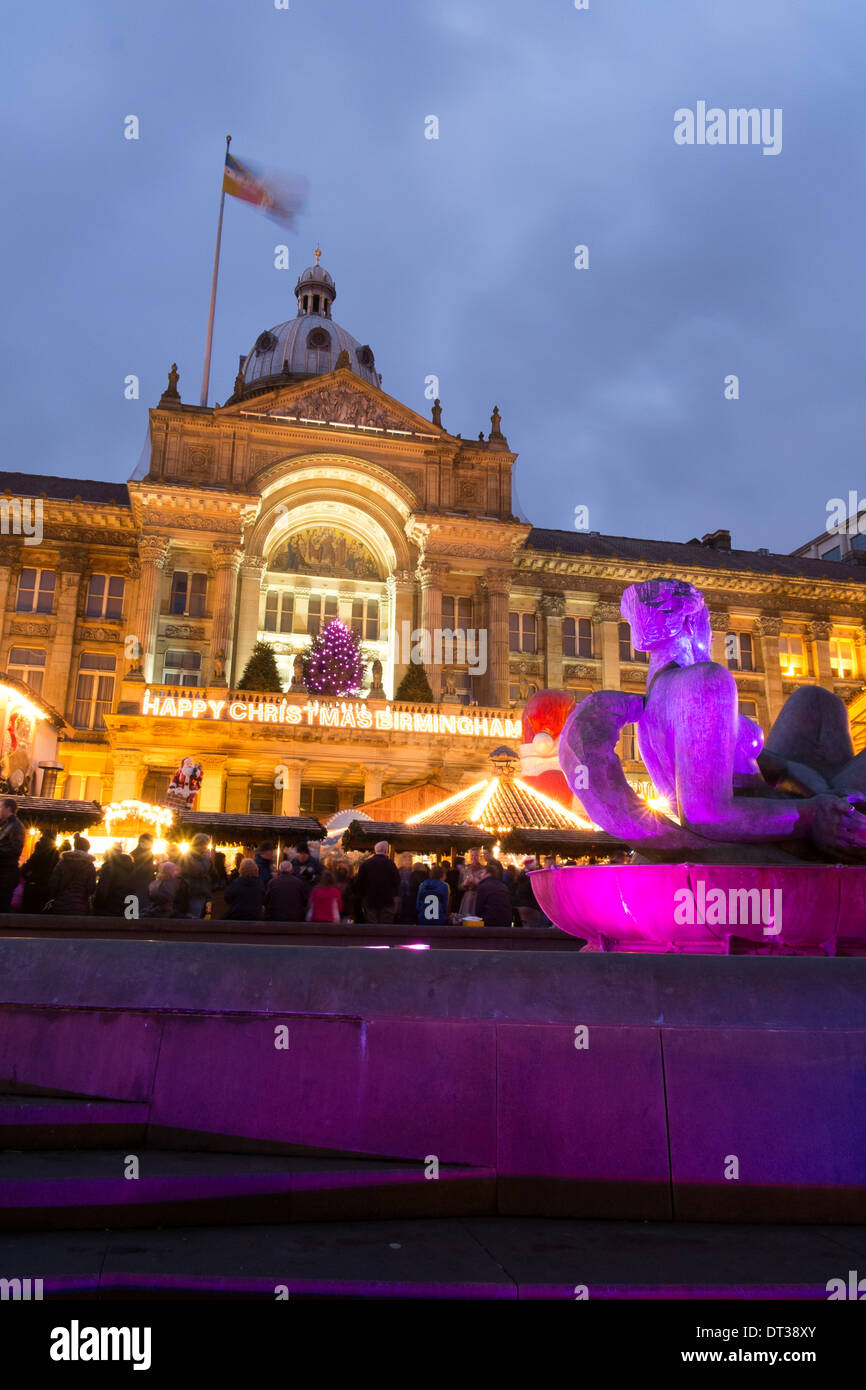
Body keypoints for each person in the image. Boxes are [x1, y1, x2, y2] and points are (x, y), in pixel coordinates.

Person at [46, 835, 96, 914]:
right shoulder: (90, 866)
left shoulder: (63, 862)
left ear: (75, 846)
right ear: (87, 848)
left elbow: (53, 884)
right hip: (81, 905)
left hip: (61, 904)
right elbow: (91, 888)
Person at [355, 840, 401, 923]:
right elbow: (397, 882)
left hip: (370, 901)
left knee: (372, 926)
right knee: (385, 927)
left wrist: (363, 897)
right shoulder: (391, 864)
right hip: (387, 901)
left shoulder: (365, 864)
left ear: (375, 850)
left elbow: (359, 883)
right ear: (386, 851)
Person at [19, 828, 59, 913]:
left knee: (28, 912)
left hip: (33, 885)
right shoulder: (56, 854)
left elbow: (27, 866)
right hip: (46, 887)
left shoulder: (38, 851)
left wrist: (25, 875)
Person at [180, 833, 215, 919]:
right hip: (194, 891)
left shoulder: (203, 855)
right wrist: (207, 860)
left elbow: (211, 872)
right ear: (200, 844)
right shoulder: (189, 856)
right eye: (205, 844)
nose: (206, 847)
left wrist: (211, 861)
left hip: (204, 892)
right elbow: (197, 871)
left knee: (205, 916)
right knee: (194, 917)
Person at [0, 797, 26, 912]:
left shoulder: (15, 826)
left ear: (8, 808)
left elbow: (15, 849)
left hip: (6, 872)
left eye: (1, 807)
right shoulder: (6, 825)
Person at [93, 849, 136, 916]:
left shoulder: (108, 868)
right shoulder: (130, 870)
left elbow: (102, 891)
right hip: (127, 909)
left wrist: (96, 905)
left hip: (109, 909)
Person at [475, 859, 514, 927]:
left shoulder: (483, 886)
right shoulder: (502, 885)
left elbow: (478, 911)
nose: (480, 875)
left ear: (488, 873)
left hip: (490, 922)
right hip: (506, 921)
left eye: (482, 872)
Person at [129, 833, 156, 918]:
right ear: (142, 841)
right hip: (139, 885)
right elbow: (143, 869)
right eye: (150, 841)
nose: (152, 843)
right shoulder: (138, 854)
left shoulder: (143, 853)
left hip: (141, 885)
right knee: (139, 908)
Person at [515, 857, 544, 926]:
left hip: (521, 905)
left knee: (526, 925)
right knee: (533, 927)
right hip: (532, 906)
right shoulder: (533, 876)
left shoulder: (520, 875)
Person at [457, 848, 485, 918]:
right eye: (472, 855)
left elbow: (486, 886)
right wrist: (464, 884)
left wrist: (477, 882)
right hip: (467, 898)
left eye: (476, 855)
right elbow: (459, 887)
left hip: (478, 897)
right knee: (465, 920)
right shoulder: (465, 869)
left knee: (477, 919)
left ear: (479, 856)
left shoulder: (484, 869)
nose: (474, 857)